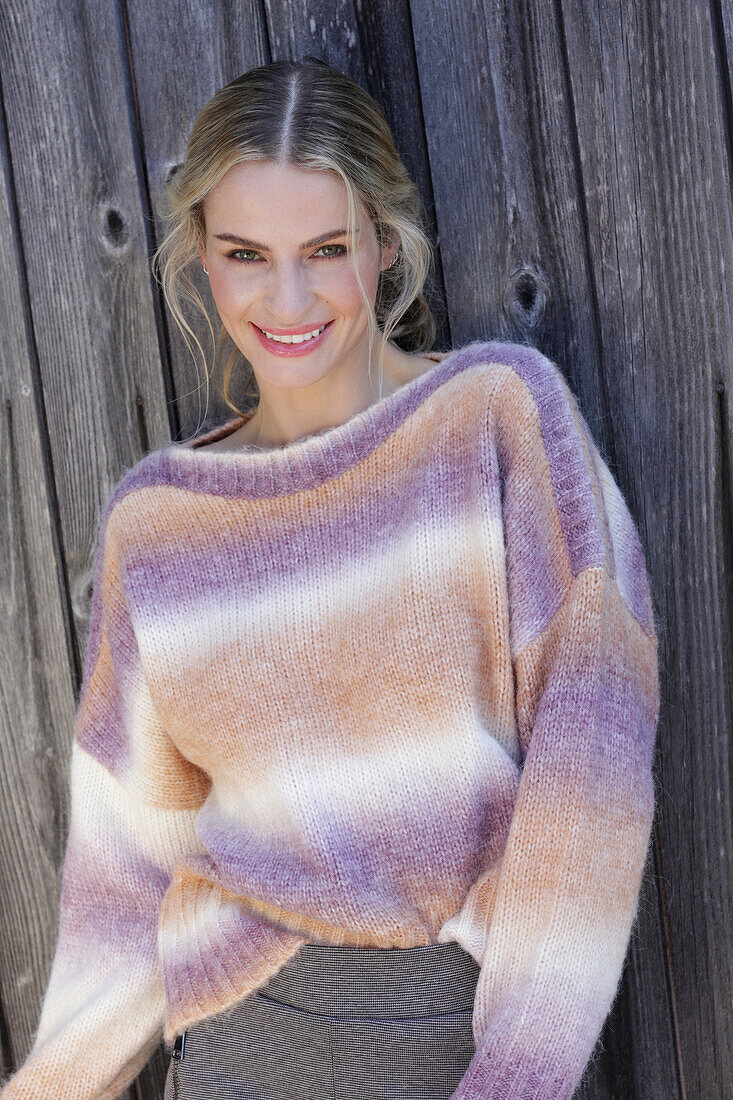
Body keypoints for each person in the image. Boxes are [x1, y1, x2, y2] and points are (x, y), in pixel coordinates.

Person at [0, 57, 660, 1100]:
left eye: (325, 249)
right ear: (201, 263)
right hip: (232, 1043)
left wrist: (520, 1069)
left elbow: (594, 764)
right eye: (246, 254)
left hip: (447, 1036)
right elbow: (124, 871)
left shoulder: (495, 420)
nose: (289, 296)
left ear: (383, 246)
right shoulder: (158, 526)